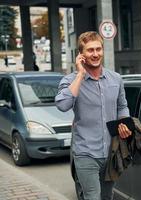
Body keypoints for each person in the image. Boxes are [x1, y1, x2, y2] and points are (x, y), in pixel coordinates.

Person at [55, 31, 132, 200]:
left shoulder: (116, 79)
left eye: (98, 49)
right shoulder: (70, 80)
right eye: (90, 50)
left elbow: (122, 106)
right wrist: (81, 74)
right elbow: (62, 105)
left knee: (107, 196)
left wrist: (123, 123)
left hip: (112, 151)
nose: (95, 54)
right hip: (86, 153)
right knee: (92, 197)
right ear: (81, 54)